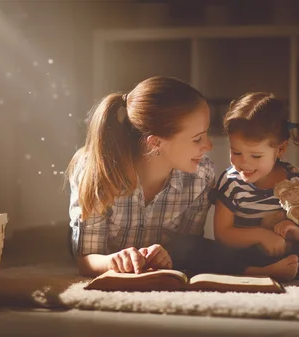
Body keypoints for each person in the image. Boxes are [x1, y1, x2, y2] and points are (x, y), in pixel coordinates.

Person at [66, 76, 215, 277]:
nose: (208, 146)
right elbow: (87, 259)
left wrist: (168, 255)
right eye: (197, 138)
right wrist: (112, 261)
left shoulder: (201, 177)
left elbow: (188, 248)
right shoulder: (96, 171)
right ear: (156, 143)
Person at [212, 92, 299, 281]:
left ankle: (271, 269)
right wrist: (261, 236)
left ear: (280, 149)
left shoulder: (298, 181)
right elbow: (222, 233)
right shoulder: (230, 181)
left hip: (287, 251)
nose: (244, 163)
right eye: (236, 152)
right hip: (245, 253)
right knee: (194, 250)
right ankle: (260, 272)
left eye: (256, 156)